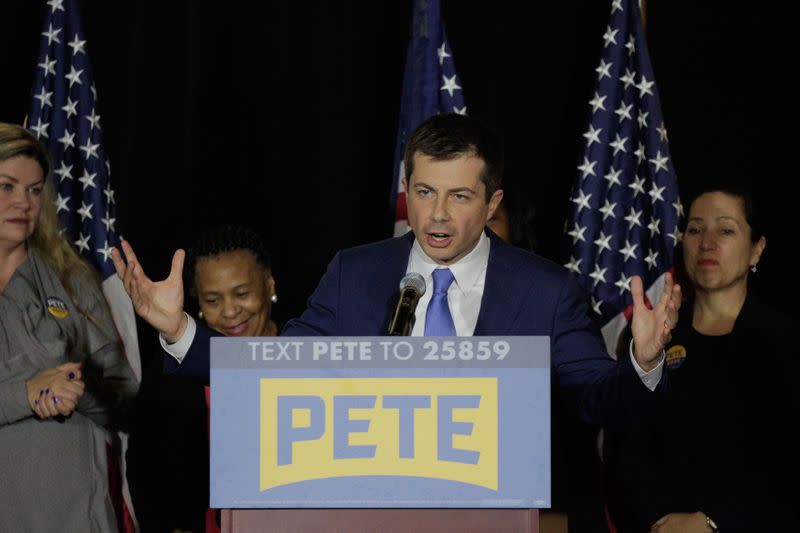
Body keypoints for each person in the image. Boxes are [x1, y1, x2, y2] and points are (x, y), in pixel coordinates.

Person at [113, 113, 681, 429]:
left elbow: (601, 401)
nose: (436, 215)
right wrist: (180, 330)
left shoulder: (545, 290)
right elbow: (275, 366)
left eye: (459, 196)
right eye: (424, 191)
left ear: (491, 202)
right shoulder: (355, 273)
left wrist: (644, 360)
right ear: (405, 190)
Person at [603, 186, 800, 531]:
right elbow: (625, 452)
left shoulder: (785, 341)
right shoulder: (654, 336)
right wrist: (658, 524)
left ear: (757, 249)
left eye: (725, 230)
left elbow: (786, 464)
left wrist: (713, 522)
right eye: (695, 229)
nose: (706, 242)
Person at [0, 123, 139, 532]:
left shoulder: (72, 280)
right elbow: (30, 390)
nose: (22, 203)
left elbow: (124, 398)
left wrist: (80, 387)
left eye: (33, 189)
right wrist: (27, 393)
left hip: (75, 515)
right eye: (6, 186)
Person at [125, 225, 278, 533]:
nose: (230, 311)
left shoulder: (306, 355)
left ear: (269, 285)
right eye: (212, 300)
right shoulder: (171, 374)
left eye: (242, 294)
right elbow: (144, 467)